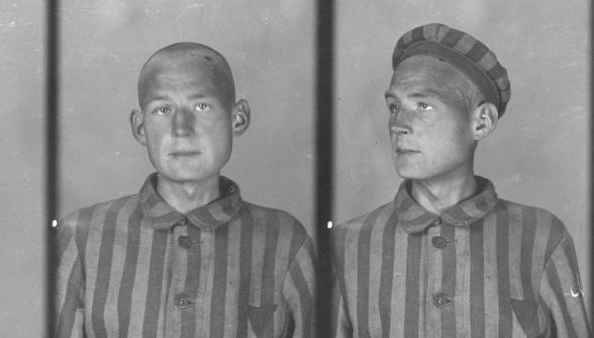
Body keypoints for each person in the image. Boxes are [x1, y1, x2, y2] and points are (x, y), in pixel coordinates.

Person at [329, 23, 590, 337]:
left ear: (481, 122)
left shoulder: (542, 237)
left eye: (423, 105)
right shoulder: (349, 244)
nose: (399, 124)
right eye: (394, 106)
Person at [54, 42, 315, 337]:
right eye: (163, 109)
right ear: (140, 128)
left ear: (238, 118)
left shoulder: (285, 240)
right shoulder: (83, 237)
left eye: (201, 106)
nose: (181, 128)